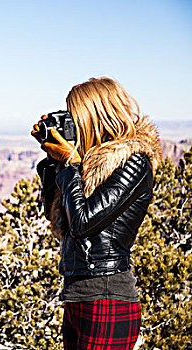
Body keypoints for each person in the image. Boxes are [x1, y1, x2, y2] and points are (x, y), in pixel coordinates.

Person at [30, 77, 163, 349]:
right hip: (78, 297)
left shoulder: (133, 162)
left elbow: (83, 222)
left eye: (75, 116)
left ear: (95, 116)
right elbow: (58, 218)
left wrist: (70, 164)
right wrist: (53, 163)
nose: (73, 124)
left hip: (107, 297)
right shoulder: (87, 165)